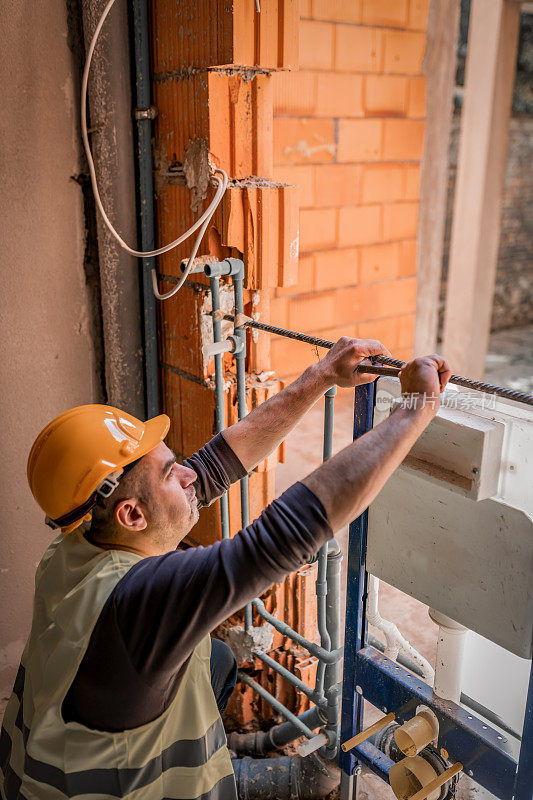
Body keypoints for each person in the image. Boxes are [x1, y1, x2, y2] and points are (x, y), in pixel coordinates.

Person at [0, 337, 451, 800]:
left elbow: (213, 465)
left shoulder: (74, 545)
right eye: (171, 472)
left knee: (213, 660)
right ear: (132, 516)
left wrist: (324, 375)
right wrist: (416, 408)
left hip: (31, 776)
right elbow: (282, 537)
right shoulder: (137, 604)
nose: (190, 474)